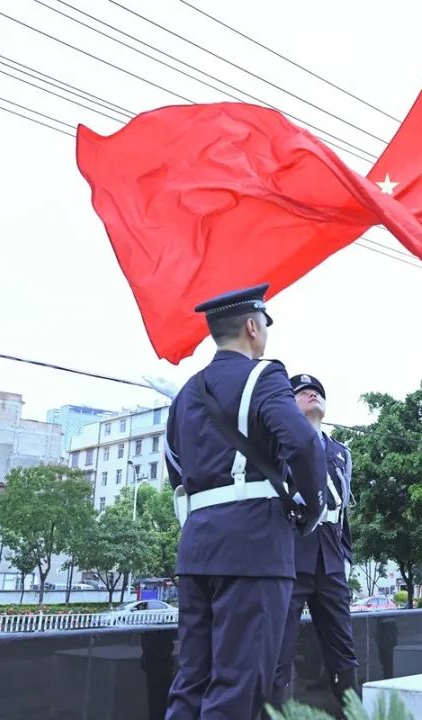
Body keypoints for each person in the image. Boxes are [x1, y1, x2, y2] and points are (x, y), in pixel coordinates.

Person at [163, 283, 327, 720]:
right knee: (238, 683)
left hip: (197, 545)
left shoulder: (186, 393)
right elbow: (304, 445)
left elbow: (175, 467)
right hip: (254, 547)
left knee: (191, 679)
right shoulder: (264, 376)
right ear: (252, 327)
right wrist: (311, 510)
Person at [271, 374, 359, 714]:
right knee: (279, 648)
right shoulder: (277, 445)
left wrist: (346, 556)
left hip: (330, 559)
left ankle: (351, 712)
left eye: (317, 392)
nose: (313, 394)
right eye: (303, 392)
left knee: (343, 649)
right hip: (290, 552)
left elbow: (343, 512)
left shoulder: (340, 453)